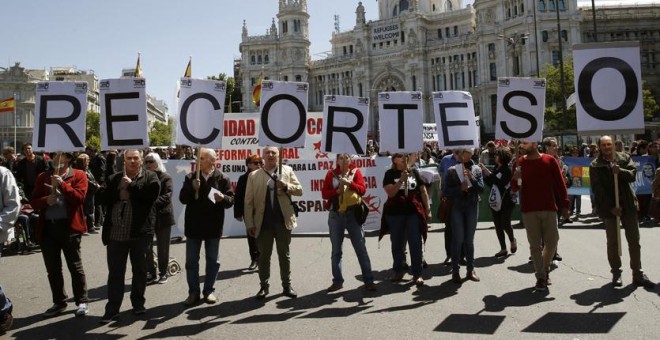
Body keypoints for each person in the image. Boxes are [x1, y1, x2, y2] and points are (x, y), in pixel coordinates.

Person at [99, 150, 160, 324]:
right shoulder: (114, 178)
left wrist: (131, 188)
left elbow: (151, 196)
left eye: (135, 158)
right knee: (116, 273)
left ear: (141, 160)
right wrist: (119, 194)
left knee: (140, 271)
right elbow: (100, 198)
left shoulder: (151, 177)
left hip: (140, 234)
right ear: (123, 161)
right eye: (129, 158)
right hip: (116, 234)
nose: (132, 161)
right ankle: (112, 309)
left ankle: (138, 304)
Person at [589, 136, 655, 289]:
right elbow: (597, 190)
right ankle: (616, 272)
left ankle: (638, 273)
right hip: (610, 209)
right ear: (599, 146)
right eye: (604, 145)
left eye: (609, 144)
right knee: (613, 242)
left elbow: (632, 175)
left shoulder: (624, 158)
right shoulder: (595, 165)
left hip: (628, 206)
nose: (607, 147)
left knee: (634, 241)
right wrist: (611, 207)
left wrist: (620, 171)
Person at [30, 152, 90, 317]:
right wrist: (45, 201)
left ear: (68, 158)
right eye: (54, 155)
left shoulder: (78, 175)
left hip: (69, 228)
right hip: (48, 228)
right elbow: (33, 202)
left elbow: (79, 198)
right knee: (53, 269)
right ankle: (59, 302)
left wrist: (63, 185)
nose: (55, 157)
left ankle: (82, 300)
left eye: (60, 154)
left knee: (75, 266)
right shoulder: (43, 176)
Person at [244, 146, 303, 300]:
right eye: (267, 153)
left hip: (283, 221)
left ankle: (286, 285)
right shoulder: (254, 175)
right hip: (263, 223)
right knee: (263, 256)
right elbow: (248, 202)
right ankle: (264, 286)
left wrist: (285, 186)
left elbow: (299, 190)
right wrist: (249, 223)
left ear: (279, 155)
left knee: (284, 255)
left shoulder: (287, 170)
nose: (270, 155)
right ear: (263, 156)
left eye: (273, 153)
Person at [511, 140, 569, 292]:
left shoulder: (549, 160)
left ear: (535, 144)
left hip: (549, 208)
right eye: (521, 143)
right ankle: (541, 276)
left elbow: (560, 183)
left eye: (525, 143)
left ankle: (545, 266)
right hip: (529, 210)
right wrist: (516, 176)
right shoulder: (519, 163)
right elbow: (515, 187)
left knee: (552, 241)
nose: (522, 146)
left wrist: (565, 204)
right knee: (535, 246)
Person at [179, 148, 234, 306]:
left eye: (202, 158)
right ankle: (193, 292)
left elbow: (230, 201)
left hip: (213, 227)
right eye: (198, 157)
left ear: (212, 161)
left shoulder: (222, 178)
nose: (198, 160)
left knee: (212, 261)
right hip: (194, 226)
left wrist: (223, 197)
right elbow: (182, 199)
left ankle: (209, 291)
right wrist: (192, 189)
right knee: (191, 262)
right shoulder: (191, 177)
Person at [321, 153, 376, 292]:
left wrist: (350, 184)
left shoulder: (356, 172)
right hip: (336, 215)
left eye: (346, 158)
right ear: (337, 161)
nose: (344, 160)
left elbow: (363, 190)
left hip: (353, 215)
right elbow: (324, 194)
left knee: (361, 249)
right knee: (336, 251)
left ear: (350, 160)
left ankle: (368, 280)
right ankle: (337, 281)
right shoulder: (331, 174)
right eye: (341, 158)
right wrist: (337, 191)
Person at [380, 153, 431, 286]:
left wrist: (427, 209)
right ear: (394, 160)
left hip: (413, 212)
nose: (403, 157)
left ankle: (417, 273)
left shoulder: (414, 172)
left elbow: (423, 190)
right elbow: (391, 193)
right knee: (397, 243)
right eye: (399, 156)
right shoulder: (390, 174)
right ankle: (398, 270)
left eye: (405, 155)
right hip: (395, 213)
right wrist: (401, 180)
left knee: (415, 242)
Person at [443, 148, 484, 283]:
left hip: (472, 206)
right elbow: (445, 191)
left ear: (470, 154)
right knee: (458, 239)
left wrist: (472, 178)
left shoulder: (476, 169)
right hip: (457, 207)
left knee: (469, 240)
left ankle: (470, 270)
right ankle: (455, 271)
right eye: (459, 153)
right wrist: (459, 189)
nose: (461, 155)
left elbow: (481, 189)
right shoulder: (451, 170)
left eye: (464, 152)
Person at [144, 152, 175, 284]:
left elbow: (167, 196)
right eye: (146, 161)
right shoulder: (143, 177)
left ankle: (163, 272)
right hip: (147, 218)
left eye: (151, 161)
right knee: (146, 247)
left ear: (157, 162)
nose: (148, 164)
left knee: (162, 247)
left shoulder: (165, 177)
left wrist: (150, 204)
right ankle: (151, 272)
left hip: (163, 216)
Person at [481, 147, 517, 258]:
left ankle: (512, 240)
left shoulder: (507, 169)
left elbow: (501, 183)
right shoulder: (497, 167)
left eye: (497, 155)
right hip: (495, 200)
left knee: (505, 223)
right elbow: (491, 182)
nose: (495, 157)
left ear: (501, 157)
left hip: (507, 200)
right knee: (497, 225)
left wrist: (488, 172)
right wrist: (483, 174)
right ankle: (503, 248)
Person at [234, 155, 263, 270]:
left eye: (260, 162)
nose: (258, 164)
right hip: (249, 212)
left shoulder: (265, 176)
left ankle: (262, 261)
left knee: (262, 237)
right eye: (255, 162)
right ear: (248, 164)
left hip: (262, 211)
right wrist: (238, 213)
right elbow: (239, 197)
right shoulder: (243, 178)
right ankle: (254, 259)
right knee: (252, 236)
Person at [73, 154, 99, 235]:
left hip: (91, 192)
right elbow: (87, 182)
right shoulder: (80, 171)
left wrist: (95, 184)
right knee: (85, 211)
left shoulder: (87, 169)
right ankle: (83, 228)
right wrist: (96, 186)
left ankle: (90, 227)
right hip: (85, 193)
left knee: (91, 210)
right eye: (87, 160)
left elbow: (92, 179)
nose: (89, 161)